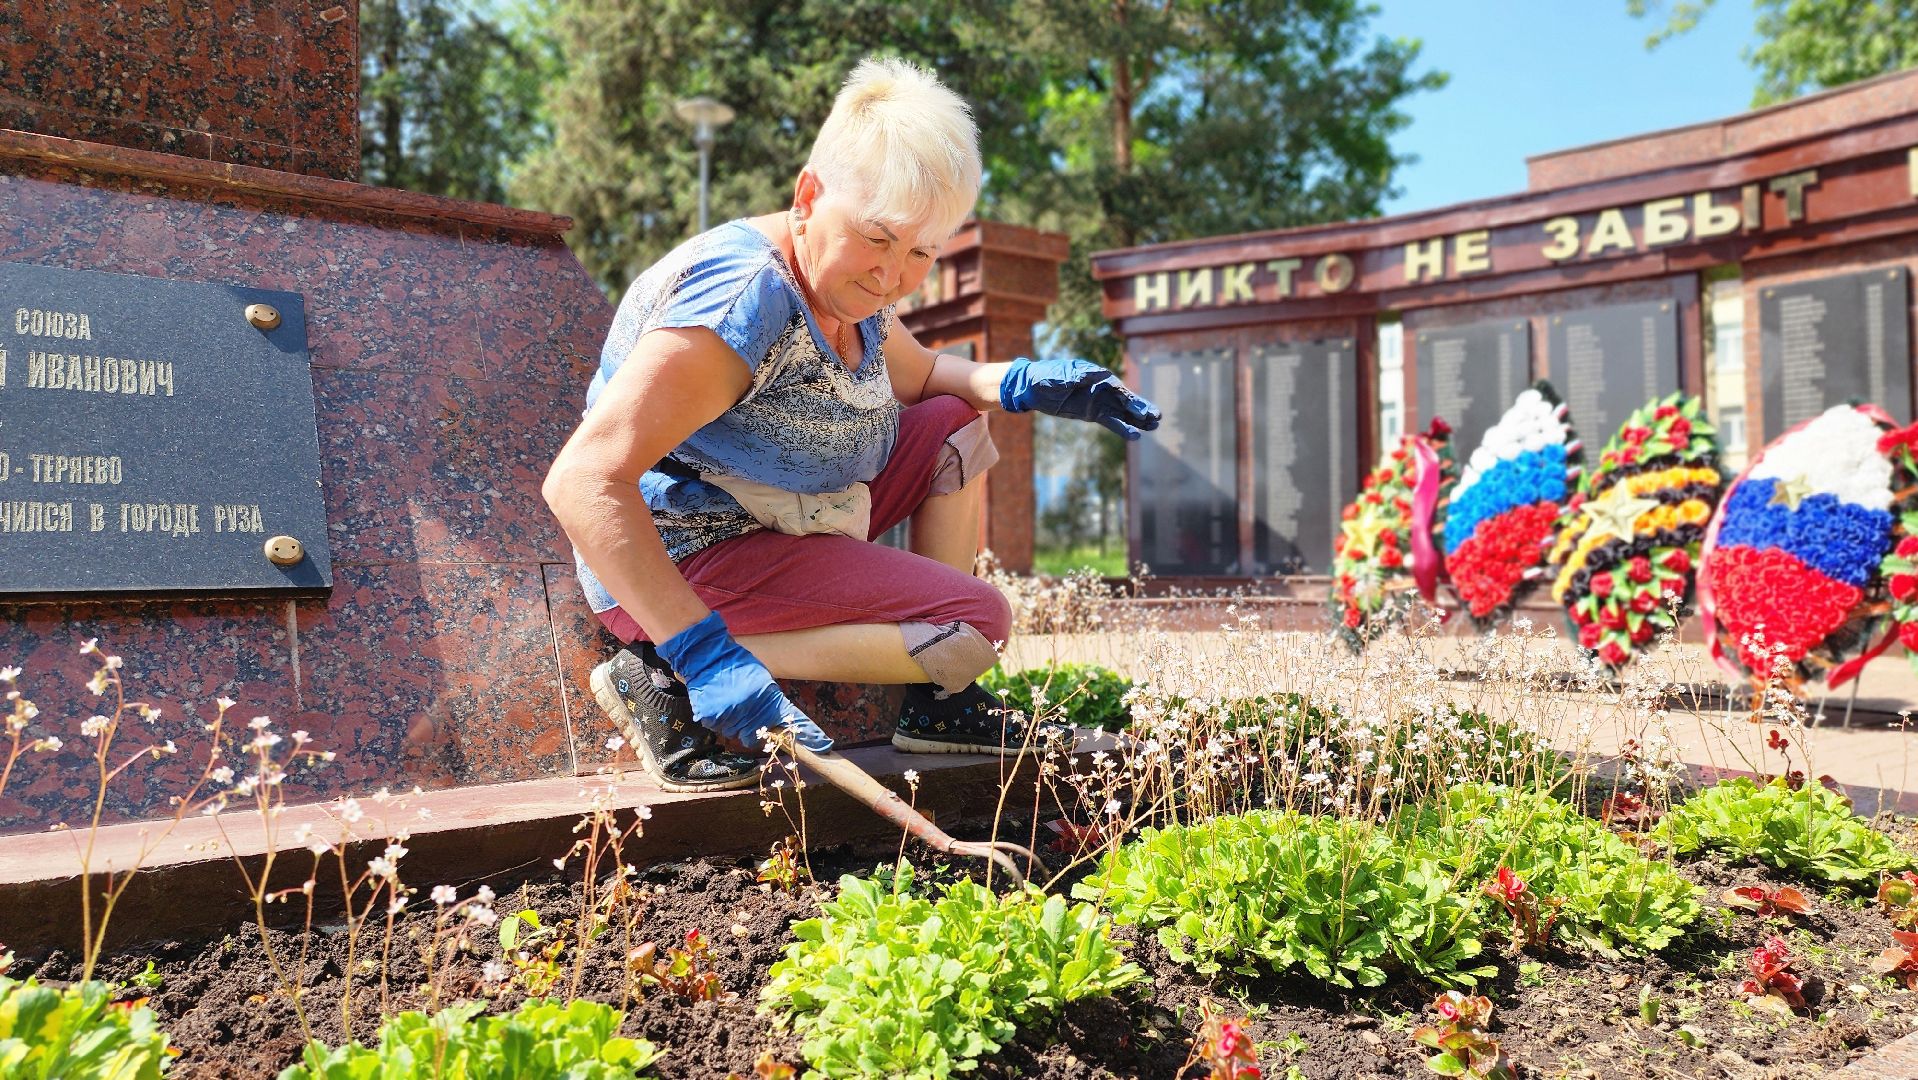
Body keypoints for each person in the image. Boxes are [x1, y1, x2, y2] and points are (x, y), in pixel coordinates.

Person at [542, 57, 1160, 793]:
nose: (894, 274)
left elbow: (925, 376)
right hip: (691, 554)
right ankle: (660, 668)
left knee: (956, 422)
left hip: (795, 514)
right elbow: (582, 480)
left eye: (921, 251)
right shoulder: (741, 302)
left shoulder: (847, 286)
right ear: (809, 196)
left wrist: (1024, 384)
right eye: (878, 237)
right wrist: (702, 650)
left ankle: (938, 707)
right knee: (976, 624)